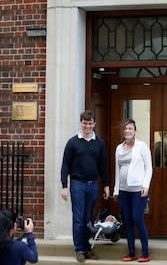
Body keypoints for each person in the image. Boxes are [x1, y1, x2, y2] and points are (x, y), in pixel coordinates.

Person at [60, 110, 110, 262]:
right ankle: (79, 249)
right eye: (85, 123)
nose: (87, 126)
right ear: (81, 123)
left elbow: (103, 166)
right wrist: (64, 185)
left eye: (90, 123)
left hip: (93, 185)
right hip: (77, 184)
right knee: (78, 218)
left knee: (88, 219)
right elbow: (65, 165)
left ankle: (86, 248)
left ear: (94, 124)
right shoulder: (72, 142)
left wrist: (106, 185)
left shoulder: (100, 143)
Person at [113, 119, 153, 263]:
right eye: (125, 129)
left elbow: (149, 168)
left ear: (135, 131)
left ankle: (145, 253)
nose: (127, 131)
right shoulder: (119, 148)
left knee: (137, 218)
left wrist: (146, 186)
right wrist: (116, 189)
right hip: (123, 191)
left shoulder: (142, 146)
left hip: (138, 190)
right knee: (128, 221)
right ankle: (131, 253)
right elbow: (117, 170)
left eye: (130, 128)